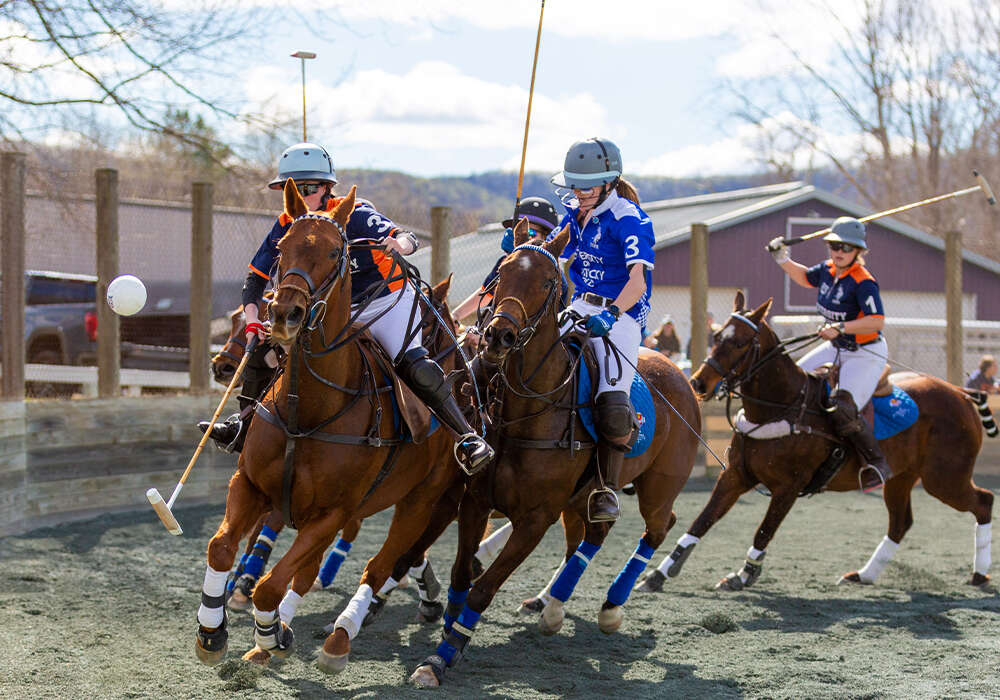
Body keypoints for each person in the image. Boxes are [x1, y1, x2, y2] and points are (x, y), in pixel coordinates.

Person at [200, 142, 493, 475]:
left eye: (308, 187)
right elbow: (254, 281)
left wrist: (400, 244)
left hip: (385, 300)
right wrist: (253, 320)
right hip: (332, 309)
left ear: (327, 188)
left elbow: (405, 236)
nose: (301, 196)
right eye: (290, 189)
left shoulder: (353, 212)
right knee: (264, 350)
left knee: (411, 361)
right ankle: (244, 425)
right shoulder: (286, 225)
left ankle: (465, 438)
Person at [550, 137, 655, 522]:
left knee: (612, 401)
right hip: (580, 305)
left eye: (587, 186)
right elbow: (552, 251)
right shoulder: (575, 212)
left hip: (622, 315)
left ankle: (606, 489)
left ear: (610, 181)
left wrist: (611, 314)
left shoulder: (629, 218)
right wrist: (524, 246)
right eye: (573, 185)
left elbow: (637, 283)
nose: (578, 192)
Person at [767, 217, 891, 491]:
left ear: (858, 251)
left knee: (844, 407)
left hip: (865, 352)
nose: (840, 251)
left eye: (847, 247)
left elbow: (877, 320)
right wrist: (782, 259)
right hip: (837, 346)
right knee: (791, 382)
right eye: (835, 245)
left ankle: (877, 464)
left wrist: (842, 327)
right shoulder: (828, 270)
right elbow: (805, 277)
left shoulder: (864, 282)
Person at [451, 196, 563, 327]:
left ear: (548, 237)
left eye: (530, 232)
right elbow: (486, 293)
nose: (522, 237)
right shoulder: (506, 264)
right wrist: (455, 316)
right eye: (517, 232)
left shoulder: (552, 276)